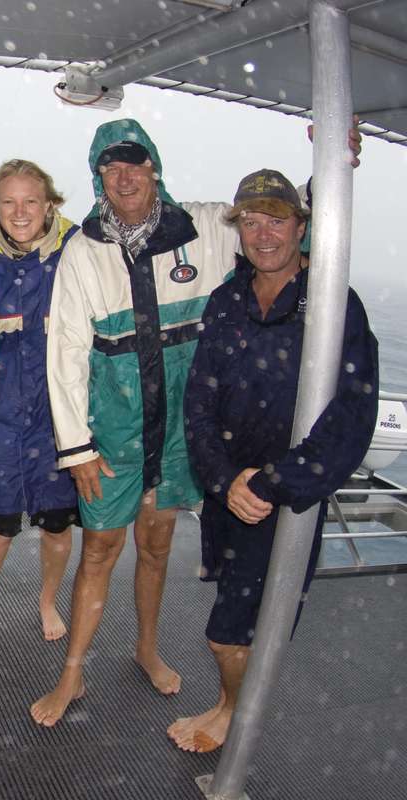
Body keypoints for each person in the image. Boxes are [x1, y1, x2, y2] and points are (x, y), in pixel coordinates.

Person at [36, 119, 241, 726]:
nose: (123, 177)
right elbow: (66, 353)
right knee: (99, 548)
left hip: (180, 433)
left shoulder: (205, 227)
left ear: (154, 167)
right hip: (114, 432)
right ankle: (72, 670)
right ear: (98, 177)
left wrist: (327, 173)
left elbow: (278, 220)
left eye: (134, 163)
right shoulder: (83, 250)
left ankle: (147, 648)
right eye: (110, 168)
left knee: (157, 544)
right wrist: (76, 449)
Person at [171, 169, 378, 753]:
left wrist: (270, 483)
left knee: (230, 631)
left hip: (283, 498)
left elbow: (352, 416)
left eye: (276, 220)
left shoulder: (334, 305)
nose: (263, 235)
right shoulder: (226, 300)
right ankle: (228, 703)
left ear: (301, 226)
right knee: (233, 608)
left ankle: (236, 717)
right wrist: (222, 479)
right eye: (251, 222)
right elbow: (199, 400)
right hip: (228, 491)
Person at [0, 159, 81, 651]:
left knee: (57, 522)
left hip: (59, 413)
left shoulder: (78, 251)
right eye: (8, 201)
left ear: (49, 204)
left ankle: (48, 599)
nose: (19, 211)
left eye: (31, 200)